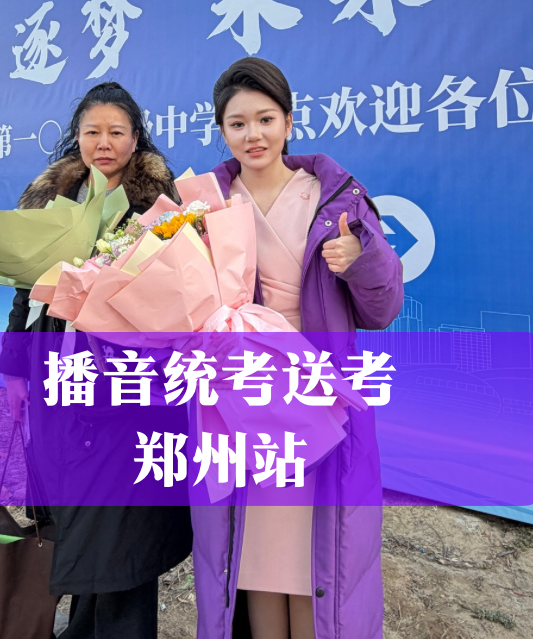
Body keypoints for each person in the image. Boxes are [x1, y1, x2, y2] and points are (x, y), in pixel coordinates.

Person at [191, 58, 404, 639]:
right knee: (253, 557)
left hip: (318, 398)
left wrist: (361, 263)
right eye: (237, 123)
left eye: (266, 119)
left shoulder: (335, 199)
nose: (253, 135)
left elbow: (383, 310)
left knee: (317, 561)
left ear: (289, 121)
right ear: (221, 129)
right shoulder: (204, 208)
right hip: (240, 399)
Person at [0, 81, 192, 639]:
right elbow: (25, 290)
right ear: (76, 136)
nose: (103, 143)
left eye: (116, 132)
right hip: (58, 373)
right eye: (92, 132)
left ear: (136, 138)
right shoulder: (50, 199)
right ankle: (81, 628)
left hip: (129, 382)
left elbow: (177, 294)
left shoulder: (160, 206)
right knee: (74, 510)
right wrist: (15, 369)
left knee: (124, 521)